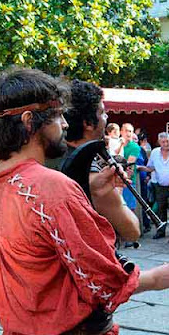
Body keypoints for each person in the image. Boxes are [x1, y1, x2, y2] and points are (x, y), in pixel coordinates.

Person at [0, 68, 169, 335]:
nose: (65, 124)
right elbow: (101, 279)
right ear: (29, 121)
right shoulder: (49, 187)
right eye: (57, 116)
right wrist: (153, 279)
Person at [55, 80, 140, 242]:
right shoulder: (91, 174)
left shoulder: (49, 154)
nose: (106, 117)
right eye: (102, 113)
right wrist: (110, 192)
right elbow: (132, 231)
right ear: (87, 123)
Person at [138, 132, 169, 239]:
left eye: (167, 141)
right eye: (163, 142)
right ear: (159, 142)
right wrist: (140, 168)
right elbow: (151, 167)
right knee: (161, 208)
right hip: (160, 184)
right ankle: (161, 230)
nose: (166, 144)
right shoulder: (155, 152)